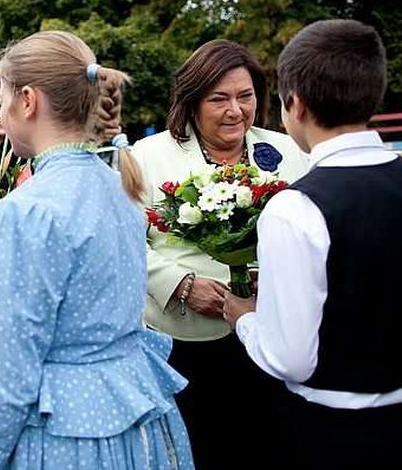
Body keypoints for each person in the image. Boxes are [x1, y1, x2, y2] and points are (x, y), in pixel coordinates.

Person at [0, 30, 193, 469]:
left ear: (27, 100)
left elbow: (6, 381)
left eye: (5, 95)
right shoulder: (120, 185)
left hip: (66, 435)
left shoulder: (25, 211)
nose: (3, 110)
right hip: (135, 424)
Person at [223, 19, 402, 469]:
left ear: (294, 104)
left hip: (337, 431)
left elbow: (291, 359)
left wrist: (245, 319)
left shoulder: (294, 208)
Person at [130, 40, 307, 469]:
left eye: (245, 97)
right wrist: (181, 284)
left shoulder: (288, 153)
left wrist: (282, 275)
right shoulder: (145, 156)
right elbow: (126, 244)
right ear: (191, 101)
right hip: (185, 338)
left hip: (273, 336)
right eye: (219, 99)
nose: (235, 111)